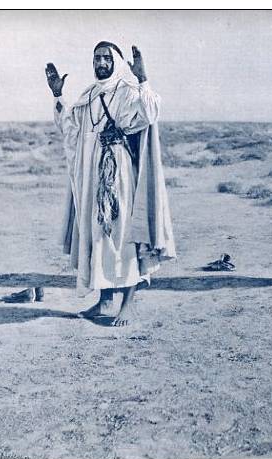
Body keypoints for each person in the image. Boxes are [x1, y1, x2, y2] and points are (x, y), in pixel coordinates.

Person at [46, 41, 176, 326]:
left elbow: (151, 113)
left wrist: (143, 77)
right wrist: (58, 96)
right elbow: (70, 129)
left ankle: (128, 304)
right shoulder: (89, 96)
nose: (101, 63)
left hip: (120, 176)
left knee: (123, 234)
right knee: (97, 233)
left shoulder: (129, 92)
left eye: (106, 58)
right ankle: (105, 301)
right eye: (96, 58)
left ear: (115, 62)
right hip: (94, 176)